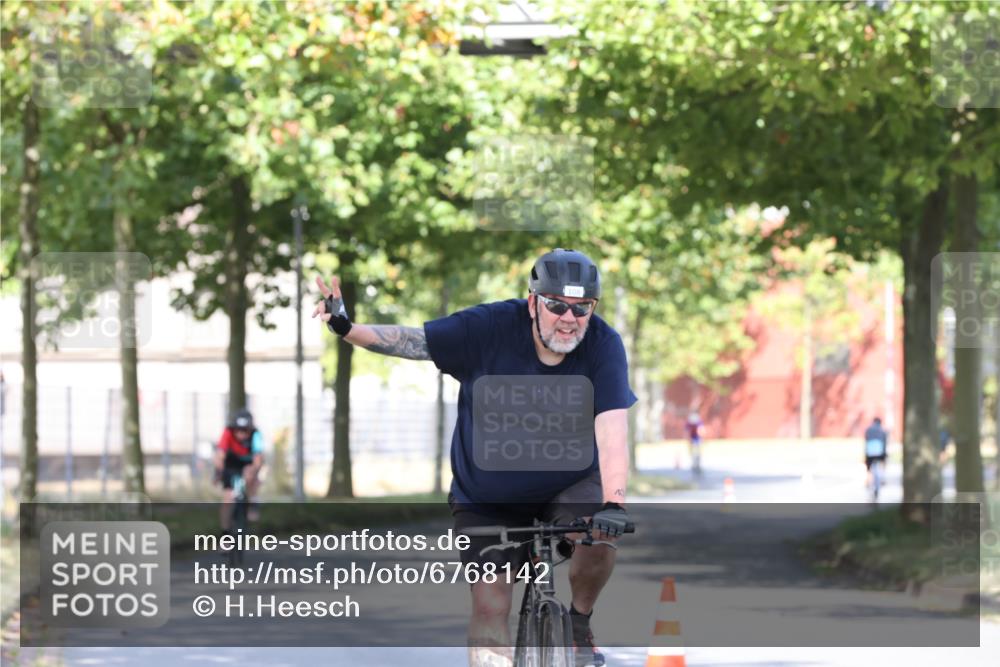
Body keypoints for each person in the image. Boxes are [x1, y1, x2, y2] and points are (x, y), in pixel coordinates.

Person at [314, 248, 636, 667]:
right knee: (490, 604)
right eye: (557, 305)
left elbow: (612, 427)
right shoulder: (487, 327)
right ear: (533, 301)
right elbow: (414, 342)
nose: (569, 318)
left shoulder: (603, 344)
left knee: (599, 537)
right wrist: (345, 327)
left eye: (581, 309)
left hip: (569, 481)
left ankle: (577, 624)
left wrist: (615, 501)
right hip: (486, 495)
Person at [214, 408, 265, 531]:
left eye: (245, 431)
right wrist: (218, 473)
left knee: (250, 476)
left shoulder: (256, 434)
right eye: (239, 430)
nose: (241, 434)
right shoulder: (228, 432)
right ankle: (225, 534)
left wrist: (253, 471)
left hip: (248, 464)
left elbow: (258, 459)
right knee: (227, 499)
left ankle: (252, 502)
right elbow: (220, 455)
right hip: (231, 464)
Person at [863, 416, 888, 489]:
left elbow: (866, 441)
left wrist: (865, 453)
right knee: (883, 462)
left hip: (870, 451)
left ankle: (867, 480)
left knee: (868, 466)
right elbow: (885, 443)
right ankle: (883, 478)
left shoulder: (868, 429)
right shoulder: (883, 430)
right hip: (879, 451)